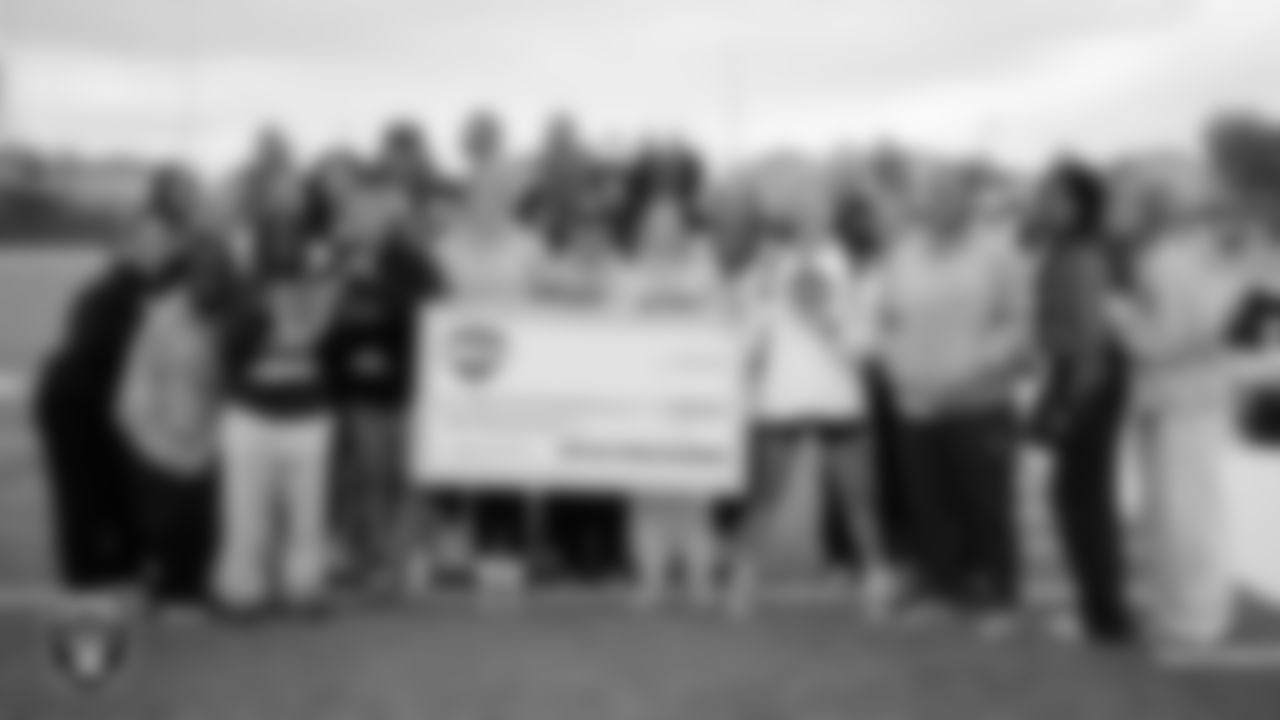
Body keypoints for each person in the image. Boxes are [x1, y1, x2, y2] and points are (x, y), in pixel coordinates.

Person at [876, 166, 1033, 634]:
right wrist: (897, 366)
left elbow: (1019, 322)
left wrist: (980, 364)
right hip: (916, 401)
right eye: (928, 196)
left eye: (946, 195)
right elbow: (885, 318)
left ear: (967, 202)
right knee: (931, 504)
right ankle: (945, 590)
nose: (936, 204)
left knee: (986, 504)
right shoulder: (903, 252)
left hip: (979, 401)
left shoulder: (998, 252)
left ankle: (999, 599)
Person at [1107, 161, 1249, 652]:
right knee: (1171, 511)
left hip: (1185, 400)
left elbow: (1174, 337)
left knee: (1188, 512)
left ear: (1155, 209)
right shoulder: (1176, 255)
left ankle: (1198, 616)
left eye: (1129, 202)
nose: (1120, 213)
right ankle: (1177, 608)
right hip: (1170, 399)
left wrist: (1120, 316)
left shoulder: (1172, 260)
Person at [730, 193, 890, 615]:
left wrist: (823, 318)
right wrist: (761, 299)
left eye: (818, 214)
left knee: (859, 499)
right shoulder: (766, 268)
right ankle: (744, 578)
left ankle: (875, 580)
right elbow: (747, 333)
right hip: (781, 401)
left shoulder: (856, 272)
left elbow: (865, 348)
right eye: (801, 215)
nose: (808, 224)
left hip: (840, 401)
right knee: (765, 497)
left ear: (829, 221)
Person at [32, 177, 182, 620]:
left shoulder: (147, 287)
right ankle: (85, 586)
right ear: (129, 245)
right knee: (84, 496)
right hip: (75, 406)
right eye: (151, 241)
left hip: (104, 402)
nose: (162, 249)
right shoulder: (116, 292)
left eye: (165, 241)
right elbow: (94, 363)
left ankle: (123, 569)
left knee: (121, 489)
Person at [213, 209, 345, 616]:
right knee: (244, 511)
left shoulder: (321, 289)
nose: (283, 248)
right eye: (275, 239)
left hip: (308, 415)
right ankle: (242, 590)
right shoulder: (241, 291)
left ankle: (303, 587)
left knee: (308, 512)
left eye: (291, 240)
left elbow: (328, 349)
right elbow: (228, 351)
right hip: (250, 413)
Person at [1028, 161, 1136, 646]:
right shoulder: (1063, 248)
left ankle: (1105, 616)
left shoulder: (1082, 255)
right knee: (1079, 498)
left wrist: (1067, 405)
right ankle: (1103, 610)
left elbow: (1089, 339)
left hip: (1089, 377)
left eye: (1053, 196)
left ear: (1078, 204)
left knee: (1081, 500)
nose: (1042, 202)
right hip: (1077, 374)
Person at [328, 180, 443, 597]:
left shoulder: (411, 258)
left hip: (408, 390)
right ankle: (375, 563)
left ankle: (404, 563)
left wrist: (381, 285)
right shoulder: (338, 259)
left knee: (408, 478)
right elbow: (330, 324)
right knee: (369, 479)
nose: (362, 220)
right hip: (360, 394)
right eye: (356, 213)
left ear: (387, 218)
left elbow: (435, 308)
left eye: (371, 213)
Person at [616, 189, 729, 607]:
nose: (663, 232)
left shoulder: (705, 271)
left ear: (683, 230)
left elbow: (720, 321)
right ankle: (651, 580)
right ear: (643, 231)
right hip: (641, 400)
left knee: (695, 495)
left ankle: (701, 579)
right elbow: (610, 331)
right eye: (654, 225)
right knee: (646, 495)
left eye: (671, 225)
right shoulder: (627, 274)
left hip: (693, 401)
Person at [116, 250, 221, 616]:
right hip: (159, 437)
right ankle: (166, 585)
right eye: (202, 277)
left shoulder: (228, 316)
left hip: (208, 440)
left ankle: (192, 585)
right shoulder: (160, 318)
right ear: (188, 280)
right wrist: (159, 443)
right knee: (168, 516)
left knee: (202, 518)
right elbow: (136, 394)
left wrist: (208, 444)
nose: (209, 286)